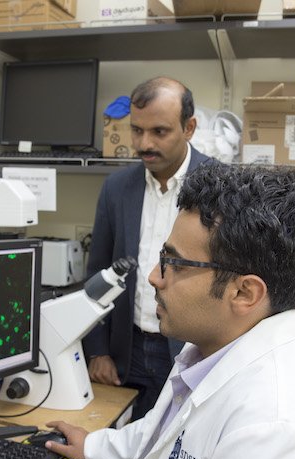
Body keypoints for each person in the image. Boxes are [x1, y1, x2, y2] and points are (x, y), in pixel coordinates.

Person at [47, 162, 295, 459]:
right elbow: (164, 436)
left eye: (172, 262)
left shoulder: (273, 431)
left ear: (244, 292)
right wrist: (93, 447)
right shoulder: (212, 350)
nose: (154, 277)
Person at [84, 77, 211, 420]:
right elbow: (97, 271)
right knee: (126, 455)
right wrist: (97, 351)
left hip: (192, 351)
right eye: (136, 131)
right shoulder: (117, 188)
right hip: (128, 351)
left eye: (159, 131)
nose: (144, 143)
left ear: (189, 127)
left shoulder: (219, 185)